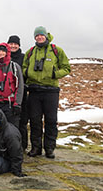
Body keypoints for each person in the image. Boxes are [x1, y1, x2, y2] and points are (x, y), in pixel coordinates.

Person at [23, 26, 71, 159]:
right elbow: (23, 67)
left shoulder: (56, 50)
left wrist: (55, 74)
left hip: (51, 91)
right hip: (34, 91)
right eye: (37, 36)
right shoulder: (30, 52)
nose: (39, 37)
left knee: (51, 120)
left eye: (41, 35)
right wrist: (27, 73)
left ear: (46, 36)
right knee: (34, 121)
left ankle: (49, 148)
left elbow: (67, 68)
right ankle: (36, 148)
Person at [0, 43, 24, 129]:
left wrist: (17, 104)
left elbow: (19, 86)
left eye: (3, 51)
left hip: (10, 104)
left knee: (12, 130)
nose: (0, 53)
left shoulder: (14, 67)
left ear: (7, 52)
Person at [8, 35, 29, 150]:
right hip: (9, 95)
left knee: (23, 120)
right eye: (11, 44)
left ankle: (23, 145)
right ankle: (13, 144)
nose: (13, 46)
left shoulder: (24, 57)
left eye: (15, 44)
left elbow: (27, 72)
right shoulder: (5, 57)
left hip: (22, 93)